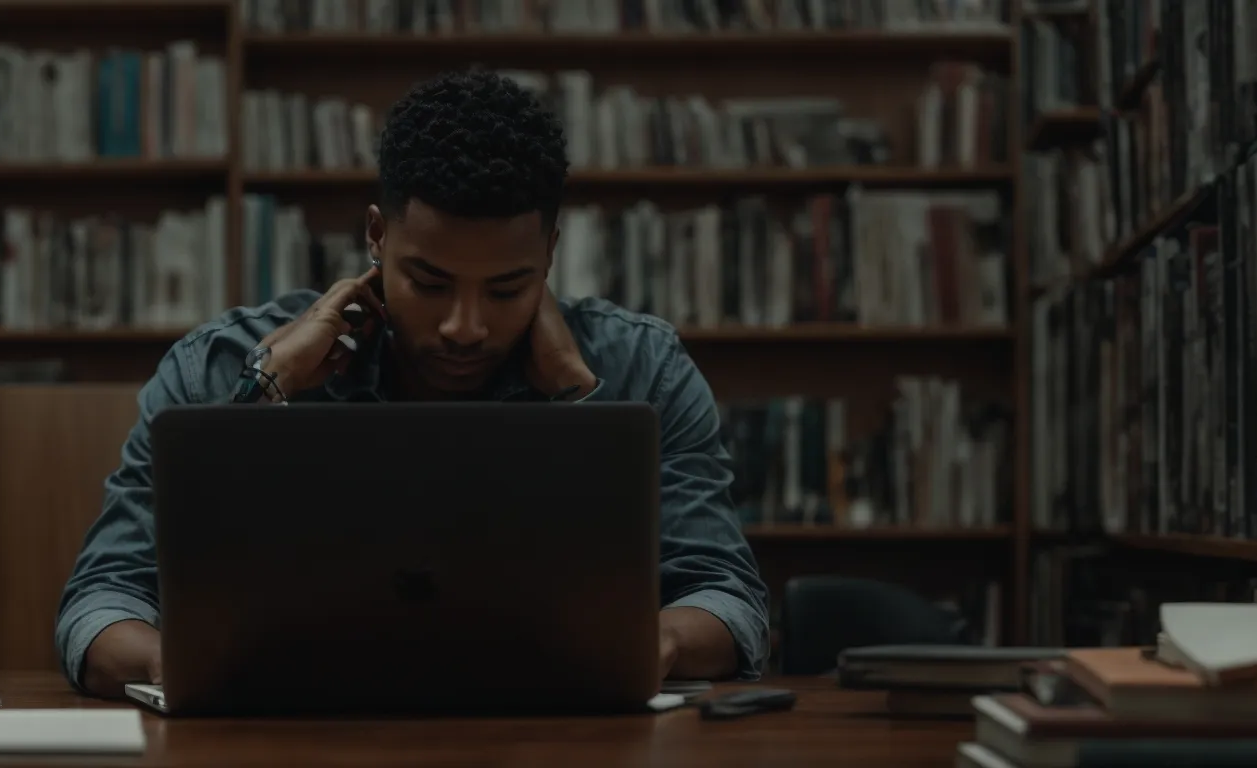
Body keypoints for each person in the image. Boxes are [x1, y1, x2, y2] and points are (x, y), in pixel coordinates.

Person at [55, 69, 768, 699]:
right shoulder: (221, 365)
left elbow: (728, 597)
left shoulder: (643, 368)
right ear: (376, 235)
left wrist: (584, 408)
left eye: (507, 288)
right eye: (429, 281)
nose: (465, 327)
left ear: (551, 251)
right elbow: (99, 605)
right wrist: (262, 397)